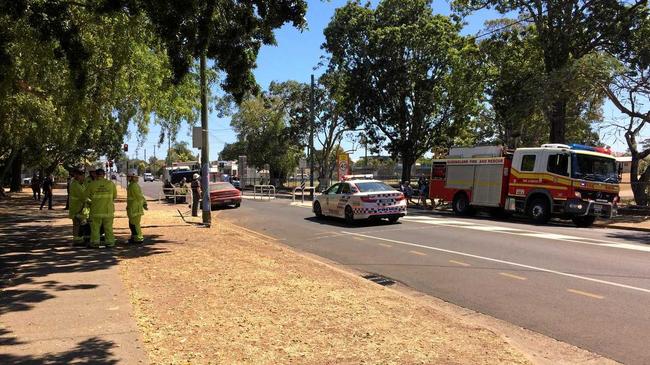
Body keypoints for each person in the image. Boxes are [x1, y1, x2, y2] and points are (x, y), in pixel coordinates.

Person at [85, 168, 117, 248]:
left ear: (96, 175)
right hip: (108, 211)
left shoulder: (92, 184)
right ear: (104, 175)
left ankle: (95, 243)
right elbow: (114, 196)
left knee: (95, 228)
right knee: (108, 227)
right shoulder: (110, 184)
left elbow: (85, 196)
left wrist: (90, 202)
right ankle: (110, 243)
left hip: (96, 211)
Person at [126, 169, 147, 244]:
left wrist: (144, 203)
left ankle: (138, 238)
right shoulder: (132, 185)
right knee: (133, 224)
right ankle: (135, 237)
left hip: (134, 208)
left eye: (129, 177)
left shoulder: (133, 186)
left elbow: (139, 196)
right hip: (134, 208)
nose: (127, 178)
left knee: (135, 224)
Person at [68, 168, 87, 246]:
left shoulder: (79, 184)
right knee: (77, 224)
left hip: (79, 208)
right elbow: (83, 196)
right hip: (77, 208)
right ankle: (77, 240)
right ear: (78, 176)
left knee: (79, 224)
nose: (84, 178)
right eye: (82, 176)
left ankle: (79, 239)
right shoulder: (76, 185)